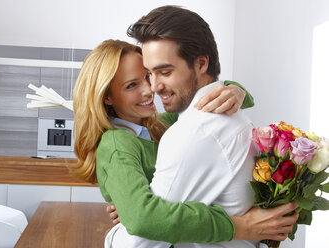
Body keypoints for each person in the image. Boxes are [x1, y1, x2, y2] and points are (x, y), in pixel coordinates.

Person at [101, 5, 299, 248]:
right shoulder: (222, 118)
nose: (153, 87)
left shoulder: (194, 132)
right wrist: (130, 204)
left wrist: (113, 235)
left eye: (164, 72)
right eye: (150, 74)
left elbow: (139, 242)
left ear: (202, 63)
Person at [69, 39, 273, 246]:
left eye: (147, 76)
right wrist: (238, 227)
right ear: (107, 97)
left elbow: (201, 102)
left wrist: (236, 92)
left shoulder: (158, 126)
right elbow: (141, 218)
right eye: (131, 85)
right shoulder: (116, 144)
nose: (149, 90)